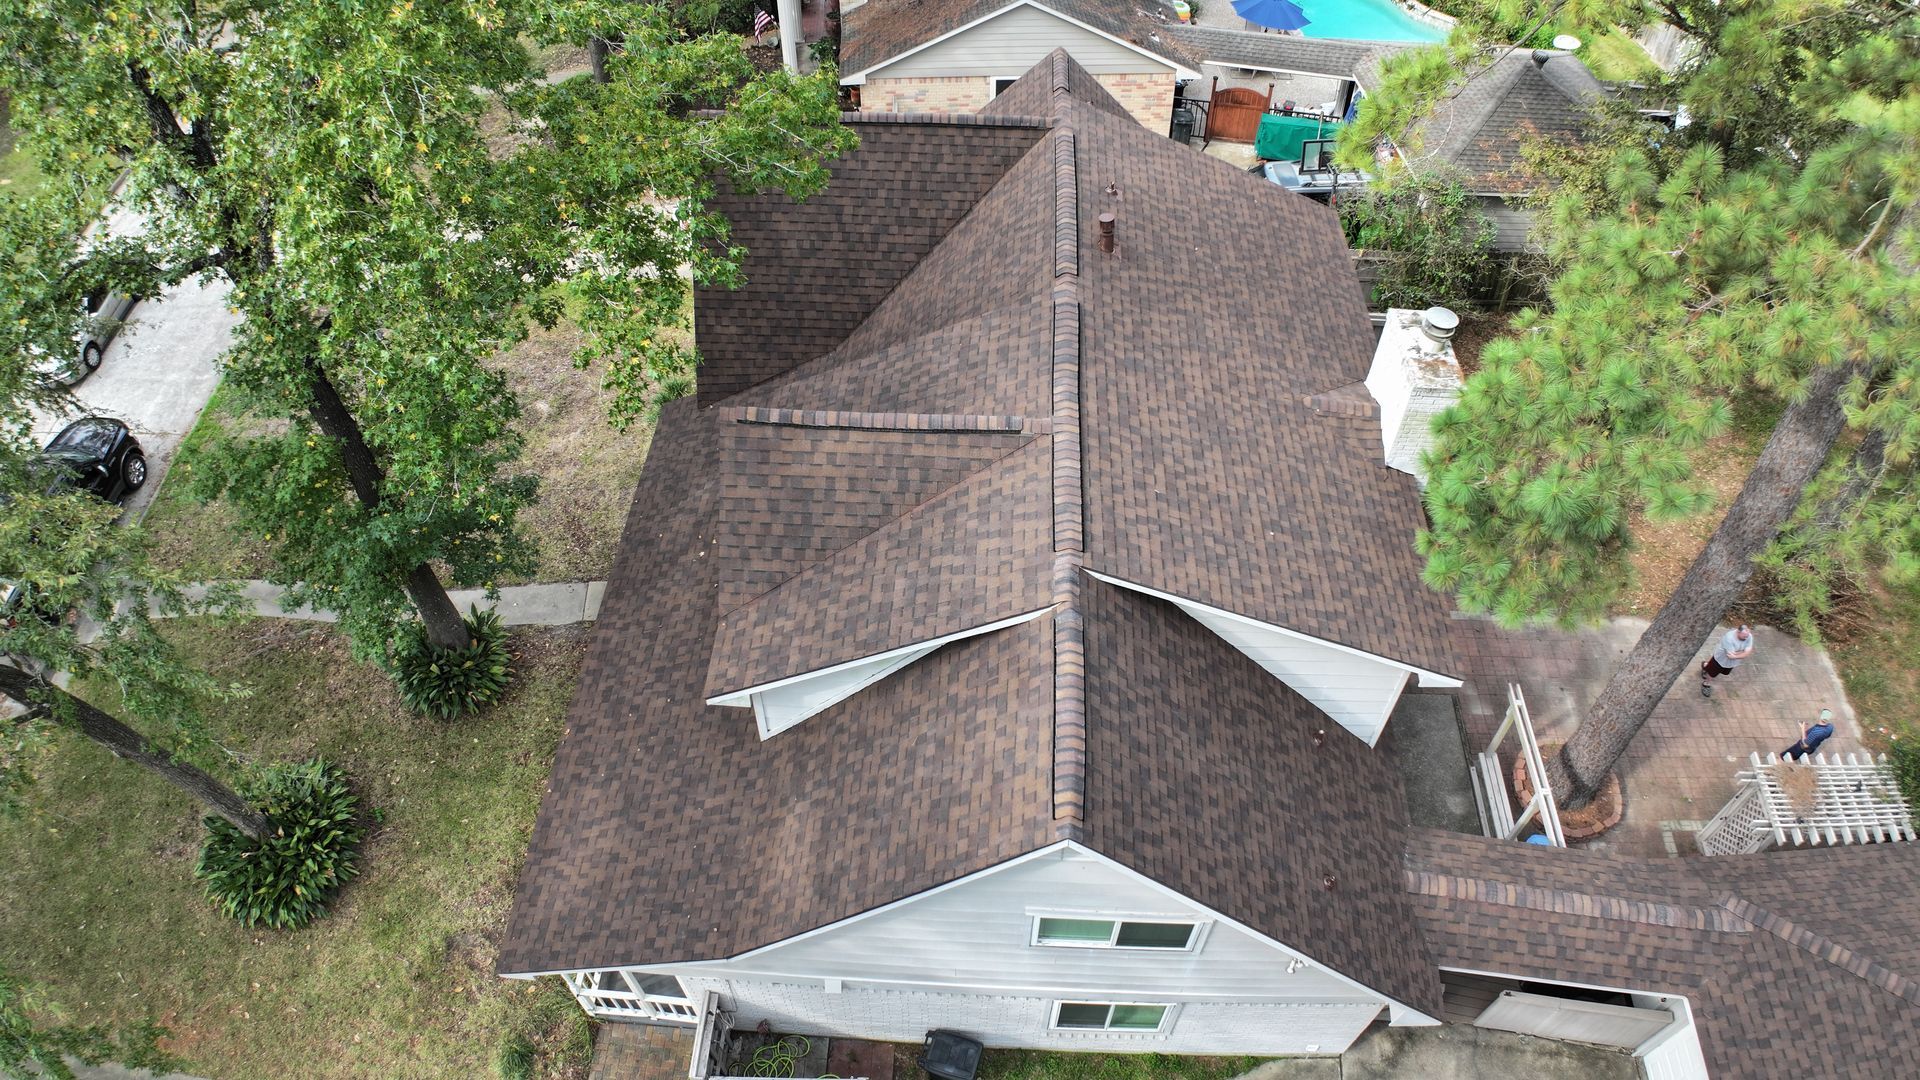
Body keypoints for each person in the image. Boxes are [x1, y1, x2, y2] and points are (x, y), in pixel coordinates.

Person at [1700, 624, 1755, 697]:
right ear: (1738, 631)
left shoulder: (1748, 636)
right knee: (1712, 673)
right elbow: (1730, 656)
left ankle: (1706, 666)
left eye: (1747, 636)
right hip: (1720, 660)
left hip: (1731, 662)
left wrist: (1738, 654)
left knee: (1722, 671)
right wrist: (1743, 652)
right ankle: (1706, 683)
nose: (1746, 637)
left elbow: (1746, 652)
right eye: (1744, 636)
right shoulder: (1729, 638)